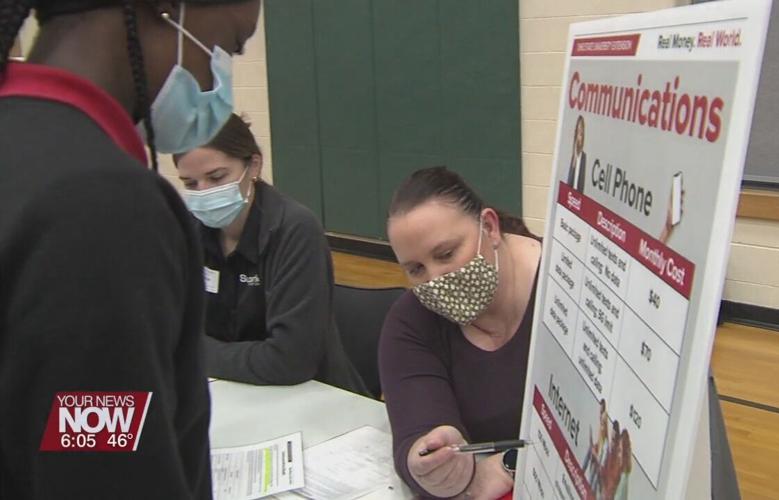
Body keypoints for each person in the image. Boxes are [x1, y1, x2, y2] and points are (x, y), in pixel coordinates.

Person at [0, 0, 260, 497]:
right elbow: (98, 458)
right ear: (167, 10)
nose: (217, 79)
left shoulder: (21, 145)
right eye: (227, 45)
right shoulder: (99, 203)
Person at [379, 166, 542, 498]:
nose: (436, 278)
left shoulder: (567, 285)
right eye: (416, 269)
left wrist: (512, 462)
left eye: (446, 254)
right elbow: (416, 434)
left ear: (490, 227)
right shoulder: (410, 323)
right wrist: (432, 467)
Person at [173, 113, 365, 390]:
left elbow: (289, 361)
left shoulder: (294, 229)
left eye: (216, 177)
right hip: (228, 390)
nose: (203, 193)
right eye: (190, 184)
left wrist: (194, 352)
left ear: (253, 165)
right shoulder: (190, 230)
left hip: (310, 400)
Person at [566, 115, 587, 193]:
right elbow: (569, 180)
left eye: (581, 134)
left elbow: (581, 184)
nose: (579, 137)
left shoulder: (583, 156)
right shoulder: (573, 155)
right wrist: (574, 156)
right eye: (578, 132)